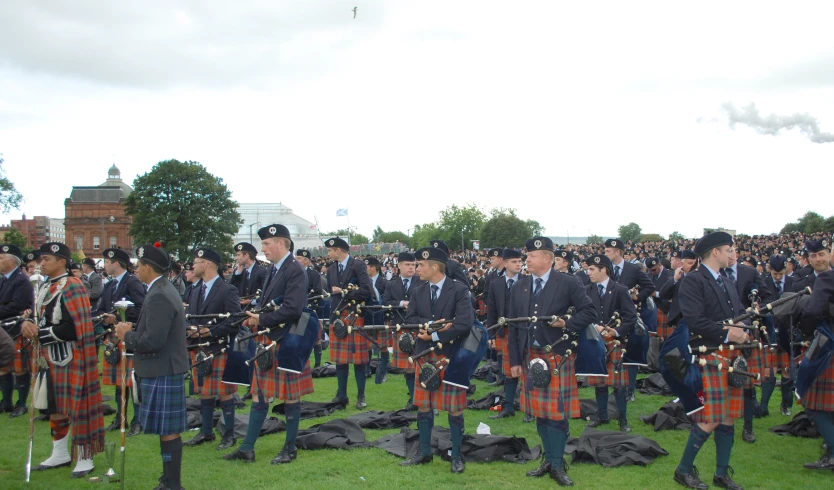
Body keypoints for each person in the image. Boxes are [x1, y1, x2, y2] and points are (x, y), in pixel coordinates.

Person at [507, 236, 597, 486]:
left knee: (556, 413)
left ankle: (557, 464)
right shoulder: (520, 285)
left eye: (532, 256)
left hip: (557, 354)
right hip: (529, 355)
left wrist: (567, 323)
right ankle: (548, 459)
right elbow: (514, 327)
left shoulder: (567, 282)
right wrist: (515, 360)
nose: (527, 260)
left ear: (547, 258)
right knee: (541, 413)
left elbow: (589, 311)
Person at [224, 224, 313, 465]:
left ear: (282, 244)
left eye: (266, 244)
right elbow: (273, 302)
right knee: (259, 393)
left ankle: (290, 448)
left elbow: (293, 308)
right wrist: (253, 315)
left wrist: (261, 318)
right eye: (262, 244)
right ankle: (247, 448)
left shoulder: (295, 270)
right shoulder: (273, 269)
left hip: (288, 338)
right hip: (270, 336)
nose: (263, 249)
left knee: (291, 397)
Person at [21, 242, 104, 479]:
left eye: (47, 259)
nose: (41, 263)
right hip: (49, 358)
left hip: (72, 357)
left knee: (77, 407)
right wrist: (27, 325)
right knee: (54, 406)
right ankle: (60, 453)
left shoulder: (73, 286)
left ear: (62, 262)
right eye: (41, 259)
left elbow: (76, 328)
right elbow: (41, 320)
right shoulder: (47, 286)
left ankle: (85, 456)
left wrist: (40, 333)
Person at [673, 232, 749, 490]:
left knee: (728, 417)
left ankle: (721, 474)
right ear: (715, 252)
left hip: (730, 354)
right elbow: (695, 319)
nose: (732, 254)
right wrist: (729, 332)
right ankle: (683, 470)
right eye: (728, 249)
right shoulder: (693, 281)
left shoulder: (727, 280)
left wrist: (744, 328)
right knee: (712, 416)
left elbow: (737, 314)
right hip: (709, 355)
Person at [114, 243, 188, 490]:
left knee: (169, 431)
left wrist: (127, 335)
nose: (135, 269)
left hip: (162, 368)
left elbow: (154, 340)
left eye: (138, 265)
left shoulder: (159, 294)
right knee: (167, 431)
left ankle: (172, 483)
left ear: (148, 267)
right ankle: (168, 481)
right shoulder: (161, 289)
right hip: (163, 368)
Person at [399, 246, 473, 473]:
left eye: (420, 265)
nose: (417, 269)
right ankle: (424, 452)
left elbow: (464, 322)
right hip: (424, 354)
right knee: (423, 405)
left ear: (434, 266)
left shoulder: (459, 290)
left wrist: (436, 334)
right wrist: (432, 325)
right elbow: (410, 318)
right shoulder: (418, 291)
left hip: (449, 356)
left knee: (454, 408)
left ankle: (457, 455)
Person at [183, 247, 242, 450]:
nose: (193, 267)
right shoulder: (194, 289)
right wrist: (189, 330)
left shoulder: (227, 290)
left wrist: (210, 331)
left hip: (218, 348)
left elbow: (235, 320)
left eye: (196, 263)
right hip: (198, 348)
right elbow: (188, 317)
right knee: (203, 392)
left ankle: (229, 435)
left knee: (224, 393)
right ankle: (206, 432)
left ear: (206, 264)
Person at [94, 248, 145, 435]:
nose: (105, 265)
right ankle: (120, 418)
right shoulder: (109, 285)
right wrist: (105, 316)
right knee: (118, 383)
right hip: (113, 337)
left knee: (132, 381)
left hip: (129, 337)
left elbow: (141, 308)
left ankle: (137, 421)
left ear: (116, 263)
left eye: (107, 262)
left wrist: (118, 316)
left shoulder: (133, 282)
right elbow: (101, 309)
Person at [584, 254, 637, 432]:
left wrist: (616, 331)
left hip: (614, 342)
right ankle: (602, 415)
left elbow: (631, 317)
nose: (588, 272)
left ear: (603, 269)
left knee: (619, 384)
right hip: (595, 342)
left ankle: (623, 418)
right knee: (599, 381)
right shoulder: (586, 290)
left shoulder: (620, 290)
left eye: (591, 269)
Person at [797, 238, 834, 470]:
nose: (818, 259)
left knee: (810, 398)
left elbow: (811, 311)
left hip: (827, 346)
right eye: (813, 256)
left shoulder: (826, 278)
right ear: (808, 259)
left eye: (821, 254)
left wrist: (805, 332)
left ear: (829, 253)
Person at [604, 238, 656, 401]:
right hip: (611, 318)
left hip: (629, 316)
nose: (605, 254)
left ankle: (630, 390)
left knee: (630, 354)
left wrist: (637, 297)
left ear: (618, 252)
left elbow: (650, 287)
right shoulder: (605, 269)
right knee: (613, 353)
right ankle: (616, 388)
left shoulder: (632, 269)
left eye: (608, 251)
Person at [324, 237, 373, 409]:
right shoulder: (331, 270)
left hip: (354, 316)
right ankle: (342, 395)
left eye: (330, 250)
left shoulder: (357, 265)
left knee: (359, 361)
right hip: (337, 317)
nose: (328, 253)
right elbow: (332, 296)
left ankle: (361, 396)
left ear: (339, 250)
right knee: (340, 361)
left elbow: (367, 291)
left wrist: (345, 293)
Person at [382, 251, 424, 409]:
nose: (411, 268)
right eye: (408, 265)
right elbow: (386, 302)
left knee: (421, 364)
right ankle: (413, 399)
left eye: (414, 265)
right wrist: (400, 303)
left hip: (418, 326)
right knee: (408, 367)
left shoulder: (421, 282)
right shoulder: (391, 284)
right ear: (399, 266)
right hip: (400, 326)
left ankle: (424, 398)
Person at [487, 248, 523, 419]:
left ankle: (529, 409)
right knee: (509, 371)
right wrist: (492, 335)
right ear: (505, 263)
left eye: (520, 261)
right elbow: (492, 311)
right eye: (514, 262)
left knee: (529, 371)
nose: (518, 264)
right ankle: (508, 407)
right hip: (505, 331)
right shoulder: (496, 283)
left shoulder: (527, 281)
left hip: (525, 331)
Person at [0, 244, 35, 417]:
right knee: (3, 367)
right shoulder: (3, 278)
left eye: (1, 258)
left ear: (12, 261)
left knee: (20, 368)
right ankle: (6, 401)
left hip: (17, 329)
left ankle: (21, 404)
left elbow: (17, 306)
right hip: (4, 329)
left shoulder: (21, 279)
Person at [759, 255, 795, 417]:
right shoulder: (763, 283)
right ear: (770, 270)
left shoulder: (793, 283)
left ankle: (786, 405)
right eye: (775, 274)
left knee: (787, 370)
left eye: (781, 273)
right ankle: (764, 406)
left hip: (788, 333)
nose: (778, 277)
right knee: (770, 370)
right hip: (770, 333)